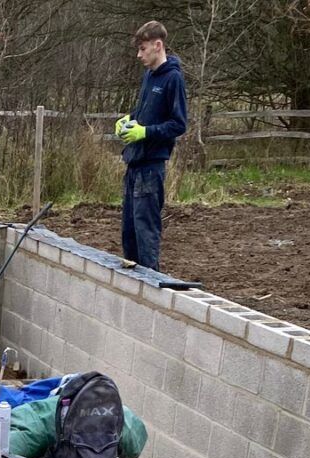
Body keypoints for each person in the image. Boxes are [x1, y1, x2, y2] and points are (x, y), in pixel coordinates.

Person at [115, 21, 187, 272]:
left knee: (146, 232)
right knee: (129, 231)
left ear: (158, 45)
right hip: (134, 163)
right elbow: (145, 111)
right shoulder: (149, 76)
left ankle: (150, 284)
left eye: (143, 49)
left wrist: (145, 132)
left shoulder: (173, 79)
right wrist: (129, 119)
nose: (139, 55)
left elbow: (178, 124)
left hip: (151, 166)